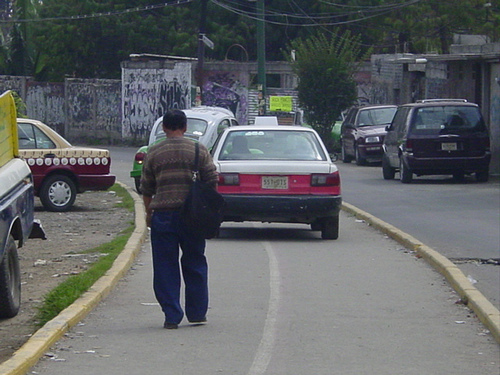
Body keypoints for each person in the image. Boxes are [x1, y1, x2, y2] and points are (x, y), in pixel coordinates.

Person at [140, 109, 218, 329]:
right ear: (185, 128)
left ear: (164, 128)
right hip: (193, 216)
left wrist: (148, 214)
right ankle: (197, 312)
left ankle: (172, 315)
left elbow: (146, 188)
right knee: (195, 261)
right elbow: (212, 179)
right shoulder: (198, 149)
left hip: (163, 216)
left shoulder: (153, 152)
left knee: (165, 266)